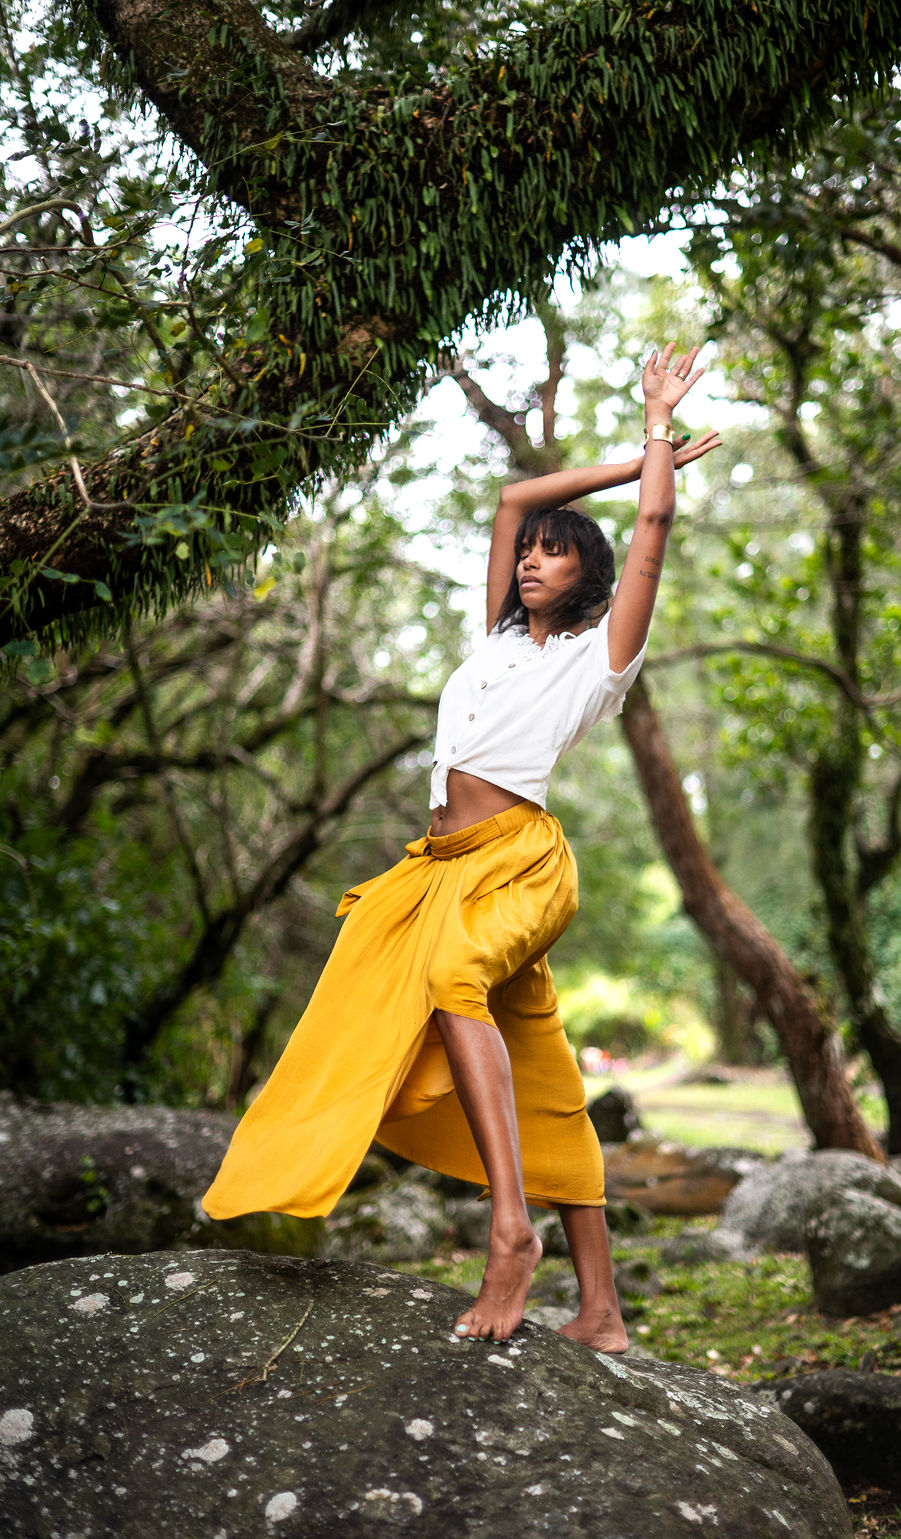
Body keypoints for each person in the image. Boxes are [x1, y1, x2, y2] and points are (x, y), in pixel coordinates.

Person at [202, 342, 721, 1350]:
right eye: (533, 551)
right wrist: (619, 462)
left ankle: (510, 1234)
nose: (532, 558)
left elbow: (652, 525)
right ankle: (603, 1311)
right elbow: (514, 496)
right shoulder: (493, 641)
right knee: (540, 1069)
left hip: (520, 861)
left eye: (557, 551)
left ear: (592, 577)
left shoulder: (602, 654)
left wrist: (658, 433)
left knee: (451, 982)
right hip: (437, 868)